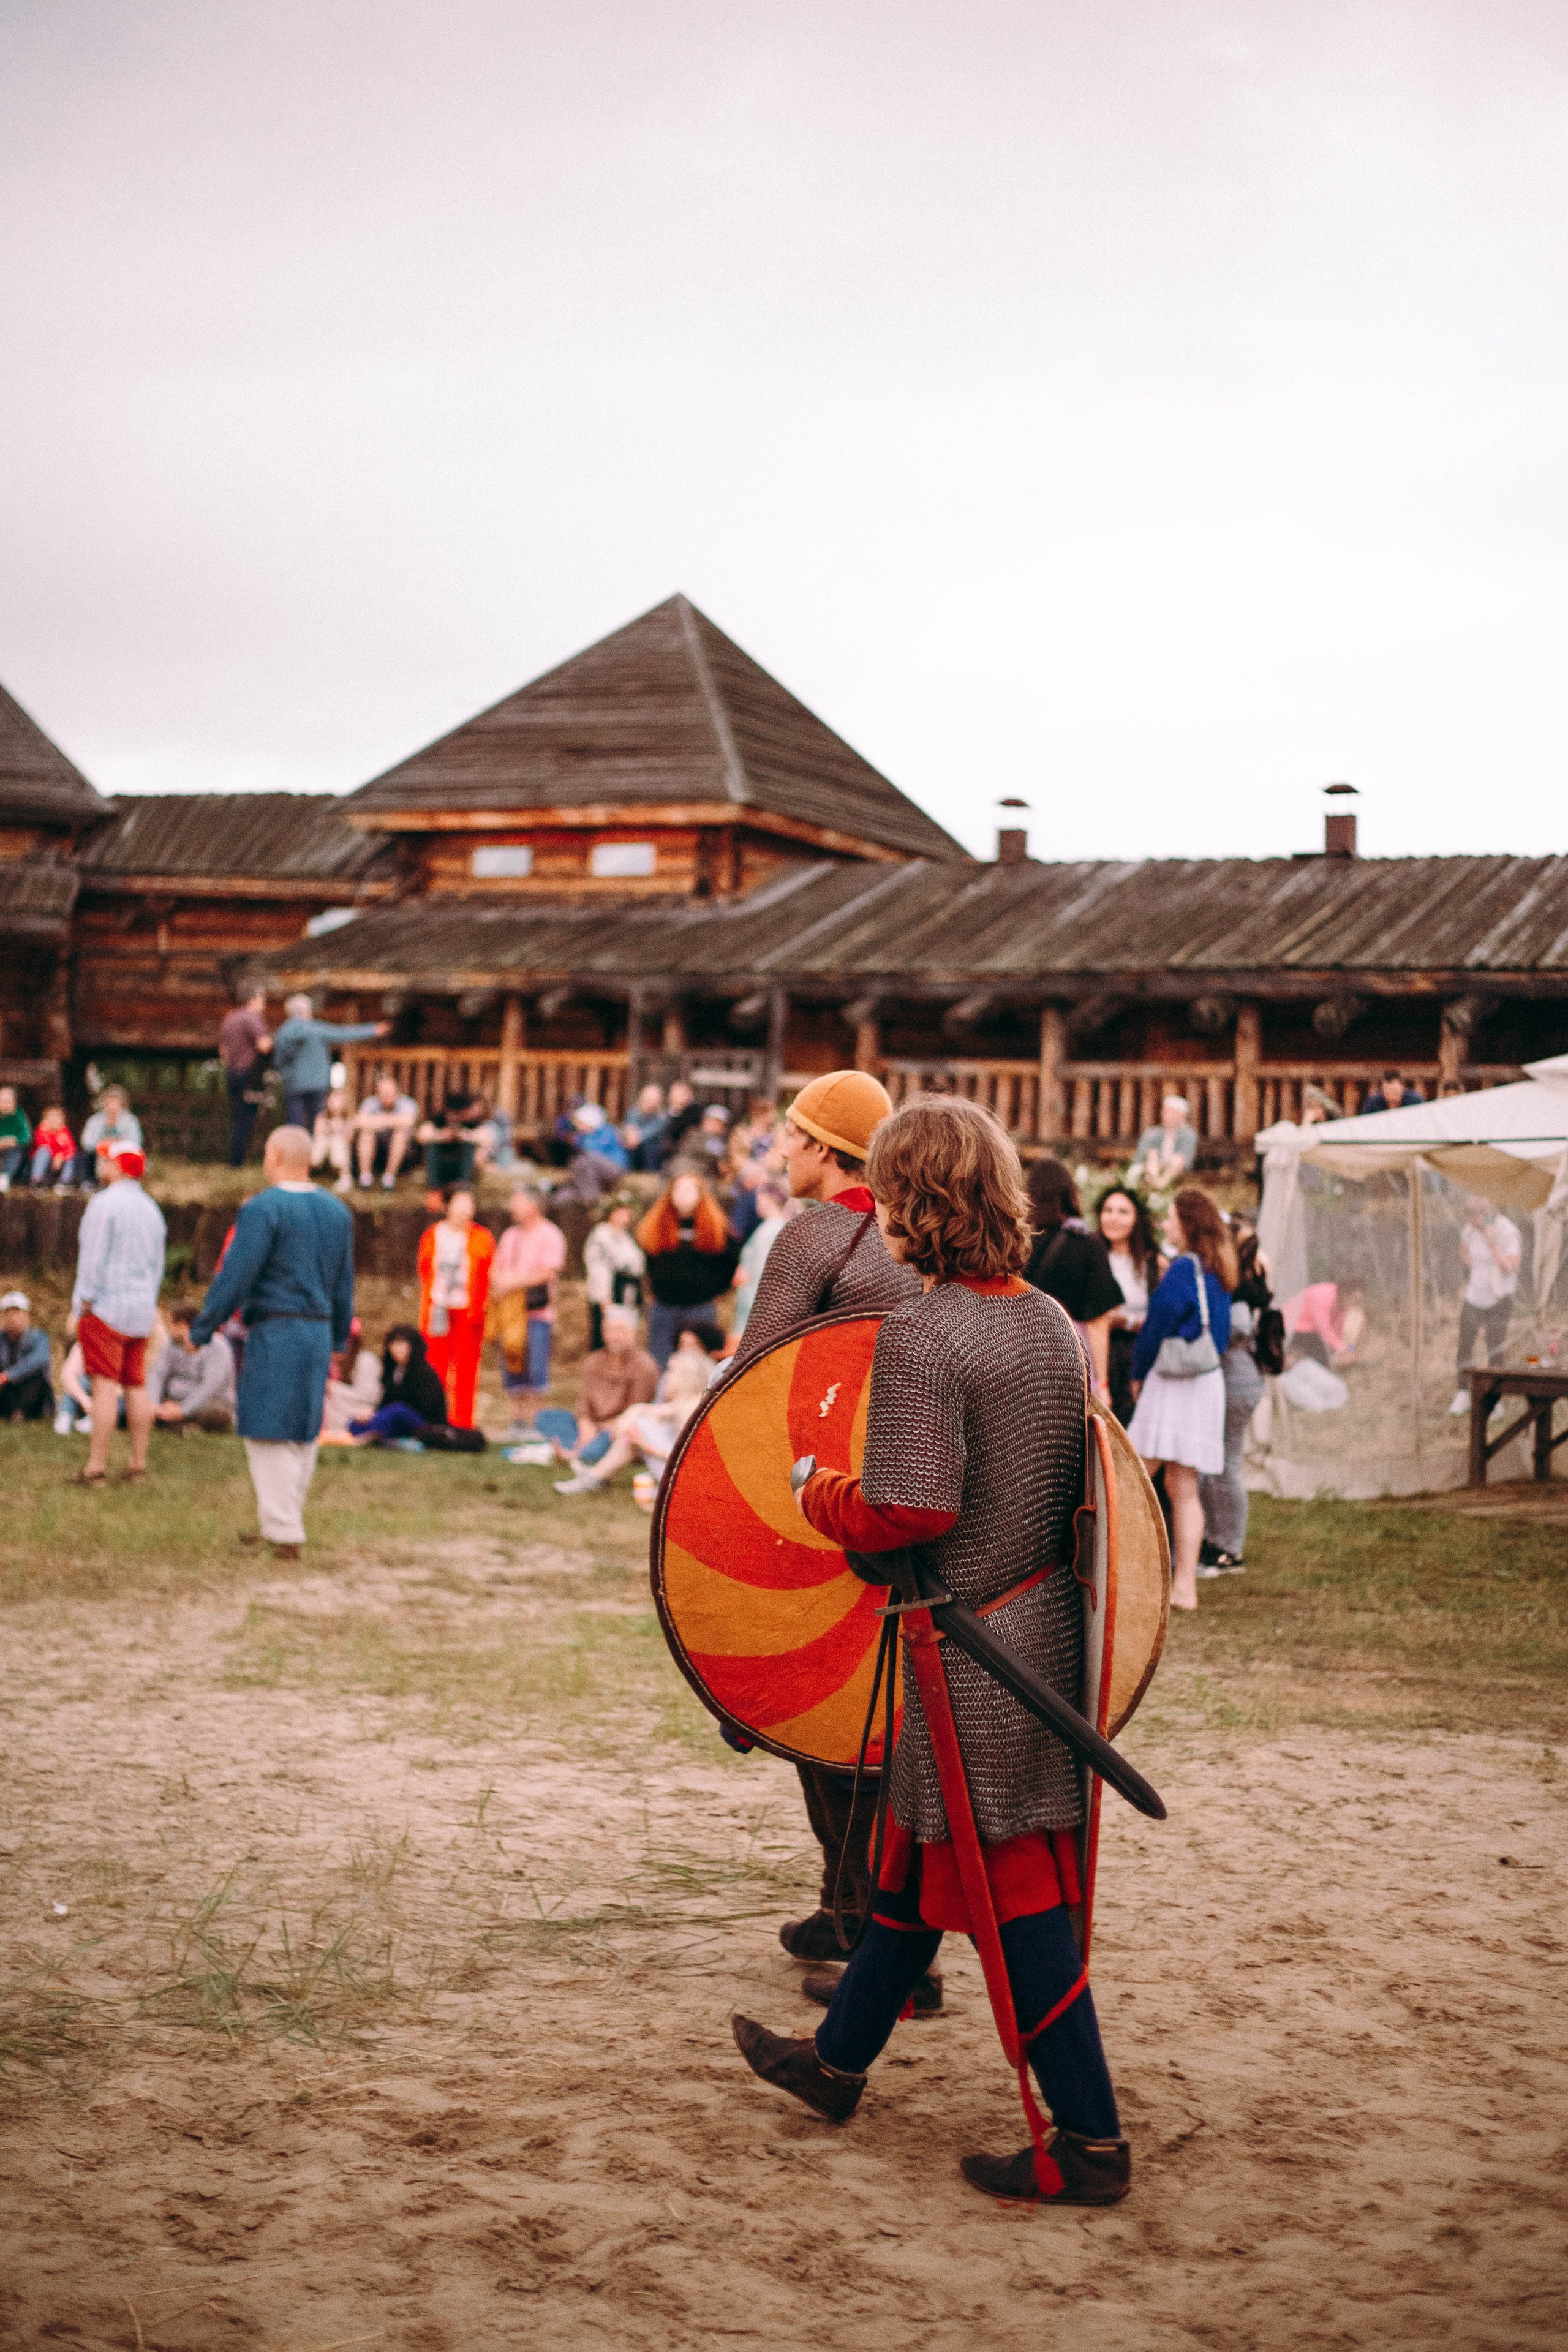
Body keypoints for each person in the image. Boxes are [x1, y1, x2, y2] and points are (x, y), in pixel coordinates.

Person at [731, 1095, 1129, 2209]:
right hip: (1041, 1634)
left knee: (1020, 1902)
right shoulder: (1048, 1319)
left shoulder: (927, 1332)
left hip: (974, 1655)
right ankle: (837, 2062)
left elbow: (911, 1507)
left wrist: (822, 1491)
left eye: (893, 1191)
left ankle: (1091, 2141)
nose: (883, 1212)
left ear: (919, 1201)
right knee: (910, 1871)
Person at [725, 1071, 924, 1978]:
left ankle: (871, 1933)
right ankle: (849, 1907)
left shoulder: (814, 1236)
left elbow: (755, 1379)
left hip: (828, 1498)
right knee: (881, 1712)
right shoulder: (917, 1236)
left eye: (792, 1137)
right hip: (915, 1496)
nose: (782, 1151)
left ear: (825, 1151)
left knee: (832, 1712)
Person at [188, 1125, 354, 1559]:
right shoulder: (337, 1212)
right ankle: (283, 1520)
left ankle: (284, 1532)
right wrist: (338, 1336)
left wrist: (204, 1327)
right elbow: (344, 1282)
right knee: (303, 1426)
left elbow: (236, 1275)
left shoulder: (266, 1208)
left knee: (267, 1426)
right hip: (318, 1330)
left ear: (277, 1155)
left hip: (278, 1328)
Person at [1127, 1187, 1235, 1613]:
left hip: (1172, 1382)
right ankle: (1184, 1586)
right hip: (1205, 1382)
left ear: (1187, 1223)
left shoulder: (1181, 1270)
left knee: (1131, 1478)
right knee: (1184, 1487)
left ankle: (1122, 1575)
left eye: (1171, 1217)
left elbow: (1156, 1326)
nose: (1166, 1224)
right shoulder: (1220, 1269)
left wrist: (1138, 1373)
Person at [66, 1140, 167, 1487]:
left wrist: (83, 1303)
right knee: (136, 1385)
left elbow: (92, 1260)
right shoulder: (153, 1210)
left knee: (105, 1387)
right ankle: (137, 1464)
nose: (102, 1165)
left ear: (117, 1167)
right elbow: (158, 1265)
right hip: (141, 1310)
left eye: (106, 1160)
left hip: (107, 1307)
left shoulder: (104, 1205)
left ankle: (96, 1467)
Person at [553, 1325, 714, 1503]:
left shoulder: (690, 1408)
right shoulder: (684, 1403)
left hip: (690, 1483)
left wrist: (644, 1442)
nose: (666, 1376)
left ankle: (594, 1475)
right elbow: (648, 1410)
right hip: (680, 1475)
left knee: (639, 1427)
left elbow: (690, 1460)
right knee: (637, 1427)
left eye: (672, 1371)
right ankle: (595, 1477)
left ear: (688, 1377)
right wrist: (633, 1418)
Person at [1198, 1226, 1271, 1573]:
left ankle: (1230, 1547)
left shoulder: (1241, 1286)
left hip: (1237, 1382)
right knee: (1218, 1465)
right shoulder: (1248, 1281)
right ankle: (1216, 1540)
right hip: (1239, 1379)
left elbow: (1234, 1329)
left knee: (1227, 1465)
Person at [1022, 1158, 1122, 1404]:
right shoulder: (1087, 1244)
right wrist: (1102, 1383)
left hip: (1020, 1354)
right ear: (1069, 1195)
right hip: (1071, 1358)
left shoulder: (1015, 1242)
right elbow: (1098, 1320)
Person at [637, 1173, 740, 1366]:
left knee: (700, 1362)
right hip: (664, 1307)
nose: (684, 1195)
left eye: (689, 1190)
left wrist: (718, 1290)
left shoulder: (716, 1227)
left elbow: (730, 1261)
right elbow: (647, 1260)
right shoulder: (656, 1226)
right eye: (679, 1190)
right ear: (670, 1194)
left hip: (700, 1307)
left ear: (700, 1194)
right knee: (660, 1362)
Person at [541, 1304, 660, 1470]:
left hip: (618, 1429)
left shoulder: (644, 1366)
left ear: (632, 1333)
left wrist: (597, 1429)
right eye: (609, 1331)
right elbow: (583, 1404)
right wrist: (585, 1426)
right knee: (545, 1417)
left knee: (611, 1438)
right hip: (591, 1426)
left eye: (620, 1331)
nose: (614, 1336)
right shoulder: (594, 1361)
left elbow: (636, 1412)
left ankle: (576, 1452)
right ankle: (582, 1448)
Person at [489, 1186, 568, 1437]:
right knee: (513, 1365)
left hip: (537, 1314)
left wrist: (513, 1282)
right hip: (511, 1314)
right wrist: (498, 1282)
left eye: (517, 1201)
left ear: (533, 1206)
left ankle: (538, 1423)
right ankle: (517, 1422)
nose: (512, 1207)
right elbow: (497, 1266)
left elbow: (549, 1271)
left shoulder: (551, 1235)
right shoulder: (510, 1235)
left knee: (536, 1368)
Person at [417, 1183, 494, 1430]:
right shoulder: (432, 1235)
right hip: (438, 1308)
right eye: (460, 1204)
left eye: (469, 1204)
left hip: (467, 1311)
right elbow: (424, 1270)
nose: (465, 1210)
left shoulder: (482, 1237)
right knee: (434, 1364)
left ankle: (462, 1422)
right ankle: (434, 1417)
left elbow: (486, 1272)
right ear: (447, 1206)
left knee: (466, 1368)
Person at [271, 995, 387, 1133]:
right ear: (307, 1011)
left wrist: (286, 1073)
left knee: (294, 1125)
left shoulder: (283, 1032)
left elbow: (278, 1061)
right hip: (318, 1084)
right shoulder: (315, 1029)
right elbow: (342, 1034)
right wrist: (373, 1030)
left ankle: (295, 1153)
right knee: (317, 1124)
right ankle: (312, 1152)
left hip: (294, 1084)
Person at [1095, 1185, 1161, 1426]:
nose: (1113, 1218)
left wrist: (1127, 1321)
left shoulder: (1152, 1263)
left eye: (1123, 1212)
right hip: (1100, 1356)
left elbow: (1162, 1318)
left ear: (1137, 1219)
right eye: (1108, 1210)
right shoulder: (1095, 1257)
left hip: (1138, 1355)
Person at [1450, 1195, 1522, 1414]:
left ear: (1488, 1215)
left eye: (1476, 1216)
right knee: (1465, 1344)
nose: (1471, 1221)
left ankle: (1495, 1400)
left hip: (1500, 1296)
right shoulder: (1470, 1230)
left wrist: (1493, 1246)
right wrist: (1474, 1269)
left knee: (1495, 1347)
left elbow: (1511, 1267)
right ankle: (1463, 1393)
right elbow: (1464, 1248)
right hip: (1475, 1294)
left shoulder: (1507, 1231)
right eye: (1468, 1216)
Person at [350, 1325, 449, 1444]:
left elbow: (429, 1409)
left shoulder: (425, 1373)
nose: (397, 1349)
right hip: (395, 1418)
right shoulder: (393, 1372)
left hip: (424, 1424)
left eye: (402, 1344)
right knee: (356, 1422)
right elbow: (386, 1403)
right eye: (394, 1345)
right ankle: (372, 1434)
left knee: (398, 1410)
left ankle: (374, 1433)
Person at [147, 1303, 237, 1433]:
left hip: (209, 1402)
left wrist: (182, 1410)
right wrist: (153, 1404)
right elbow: (157, 1374)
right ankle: (166, 1418)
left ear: (183, 1325)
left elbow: (210, 1386)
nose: (168, 1328)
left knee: (217, 1414)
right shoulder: (170, 1345)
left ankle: (176, 1421)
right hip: (172, 1399)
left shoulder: (218, 1347)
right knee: (141, 1398)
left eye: (171, 1324)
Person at [583, 1193, 646, 1354]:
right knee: (607, 1341)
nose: (626, 1215)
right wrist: (605, 1301)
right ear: (612, 1213)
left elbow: (637, 1267)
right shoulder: (601, 1236)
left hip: (628, 1294)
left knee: (626, 1340)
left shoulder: (626, 1237)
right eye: (621, 1211)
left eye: (628, 1211)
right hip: (611, 1295)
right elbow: (598, 1270)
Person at [219, 986, 273, 1168]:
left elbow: (223, 1052)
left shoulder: (230, 1018)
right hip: (248, 1074)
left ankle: (234, 1160)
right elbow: (264, 1046)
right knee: (247, 1119)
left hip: (231, 1073)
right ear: (252, 1000)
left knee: (237, 1116)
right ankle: (237, 1162)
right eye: (262, 1000)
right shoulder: (252, 1018)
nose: (264, 1005)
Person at [731, 1182, 789, 1334]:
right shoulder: (779, 1226)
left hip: (754, 1303)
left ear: (767, 1199)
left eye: (758, 1199)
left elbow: (762, 1271)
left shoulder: (771, 1229)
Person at [353, 1071, 419, 1189]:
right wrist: (392, 1121)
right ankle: (365, 1177)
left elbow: (408, 1121)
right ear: (378, 1093)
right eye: (383, 1094)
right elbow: (359, 1121)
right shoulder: (370, 1103)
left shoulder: (408, 1104)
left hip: (404, 1155)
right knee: (367, 1133)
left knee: (400, 1133)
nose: (387, 1097)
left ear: (397, 1093)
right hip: (377, 1151)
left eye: (390, 1094)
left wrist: (378, 1121)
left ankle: (389, 1178)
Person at [320, 1317, 382, 1439]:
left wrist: (333, 1388)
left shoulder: (366, 1360)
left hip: (358, 1414)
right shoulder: (334, 1363)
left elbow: (368, 1396)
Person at [1283, 1280, 1365, 1368]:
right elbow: (1324, 1330)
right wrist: (1341, 1348)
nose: (1355, 1303)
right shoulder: (1324, 1296)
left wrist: (1351, 1348)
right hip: (1291, 1326)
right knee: (1323, 1356)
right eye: (1355, 1299)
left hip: (1308, 1330)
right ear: (1347, 1295)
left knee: (1328, 1353)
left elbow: (1338, 1333)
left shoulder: (1342, 1305)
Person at [417, 1090, 486, 1192]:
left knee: (470, 1145)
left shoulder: (470, 1123)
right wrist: (441, 1136)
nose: (454, 1118)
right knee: (431, 1145)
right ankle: (435, 1190)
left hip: (461, 1166)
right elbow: (422, 1136)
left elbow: (486, 1138)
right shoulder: (438, 1120)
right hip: (441, 1165)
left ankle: (463, 1186)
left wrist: (463, 1136)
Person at [0, 1291, 53, 1422]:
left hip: (32, 1395)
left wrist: (7, 1376)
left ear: (27, 1315)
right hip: (7, 1393)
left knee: (36, 1376)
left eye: (17, 1313)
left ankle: (20, 1413)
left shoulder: (40, 1337)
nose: (13, 1318)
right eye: (8, 1314)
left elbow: (39, 1360)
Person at [74, 1086, 143, 1187]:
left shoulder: (130, 1121)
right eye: (109, 1103)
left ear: (122, 1105)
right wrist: (104, 1144)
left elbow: (136, 1142)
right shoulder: (95, 1121)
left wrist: (118, 1144)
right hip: (100, 1155)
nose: (112, 1107)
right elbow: (87, 1143)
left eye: (116, 1103)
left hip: (122, 1156)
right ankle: (98, 1181)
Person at [1127, 1095, 1197, 1189]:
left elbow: (1181, 1160)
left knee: (1176, 1165)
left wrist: (1162, 1181)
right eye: (1165, 1111)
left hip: (1171, 1173)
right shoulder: (1151, 1133)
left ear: (1182, 1115)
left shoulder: (1188, 1134)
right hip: (1146, 1168)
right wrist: (1153, 1175)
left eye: (1171, 1112)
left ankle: (1160, 1187)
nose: (1166, 1114)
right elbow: (1149, 1157)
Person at [310, 1088, 356, 1194]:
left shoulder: (348, 1119)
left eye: (339, 1101)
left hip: (341, 1150)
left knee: (337, 1141)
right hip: (323, 1150)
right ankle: (310, 1167)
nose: (336, 1105)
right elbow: (317, 1135)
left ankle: (345, 1177)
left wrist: (338, 1130)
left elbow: (349, 1139)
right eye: (333, 1101)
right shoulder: (322, 1117)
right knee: (323, 1141)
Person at [622, 1082, 668, 1172]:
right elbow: (630, 1128)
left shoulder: (662, 1116)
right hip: (633, 1145)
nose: (651, 1102)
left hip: (653, 1149)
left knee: (648, 1147)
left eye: (654, 1099)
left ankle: (649, 1176)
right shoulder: (634, 1112)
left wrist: (635, 1139)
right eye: (648, 1099)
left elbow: (649, 1133)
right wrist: (630, 1138)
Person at [28, 1105, 77, 1191]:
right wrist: (56, 1155)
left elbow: (71, 1149)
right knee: (43, 1151)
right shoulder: (42, 1130)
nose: (54, 1120)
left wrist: (61, 1156)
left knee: (70, 1159)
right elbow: (42, 1143)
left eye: (57, 1118)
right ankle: (36, 1180)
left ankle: (64, 1182)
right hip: (44, 1162)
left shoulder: (65, 1132)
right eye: (51, 1118)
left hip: (59, 1164)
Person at [52, 1337, 94, 1434]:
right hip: (87, 1398)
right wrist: (85, 1400)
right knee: (79, 1381)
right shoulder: (84, 1344)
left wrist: (99, 1405)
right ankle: (66, 1415)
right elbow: (67, 1374)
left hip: (111, 1398)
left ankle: (96, 1420)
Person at [659, 1079, 701, 1163]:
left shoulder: (695, 1112)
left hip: (683, 1149)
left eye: (680, 1093)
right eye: (674, 1093)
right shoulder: (664, 1112)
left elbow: (680, 1131)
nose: (675, 1096)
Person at [0, 1087, 32, 1188]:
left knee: (17, 1152)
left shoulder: (19, 1115)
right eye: (2, 1101)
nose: (5, 1105)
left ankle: (5, 1177)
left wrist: (14, 1141)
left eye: (8, 1102)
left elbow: (27, 1137)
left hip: (12, 1151)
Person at [1361, 1069, 1425, 1115]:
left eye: (1395, 1091)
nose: (1391, 1096)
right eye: (1387, 1092)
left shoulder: (1415, 1101)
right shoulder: (1373, 1102)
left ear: (1402, 1088)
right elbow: (1365, 1122)